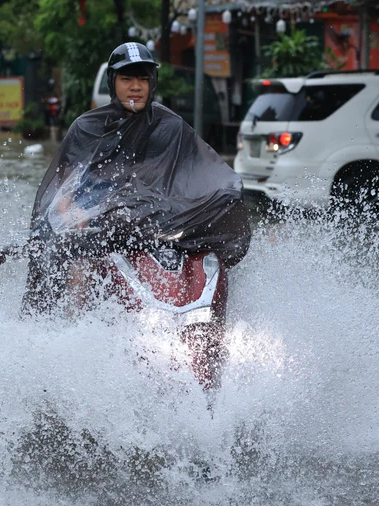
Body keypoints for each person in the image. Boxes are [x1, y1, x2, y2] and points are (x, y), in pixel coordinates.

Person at [20, 42, 251, 315]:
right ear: (113, 82)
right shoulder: (87, 128)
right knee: (78, 264)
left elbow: (205, 173)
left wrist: (226, 194)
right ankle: (72, 330)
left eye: (143, 79)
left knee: (209, 259)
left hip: (153, 224)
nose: (136, 87)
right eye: (127, 78)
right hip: (97, 228)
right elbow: (61, 192)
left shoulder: (170, 127)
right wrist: (75, 213)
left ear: (152, 83)